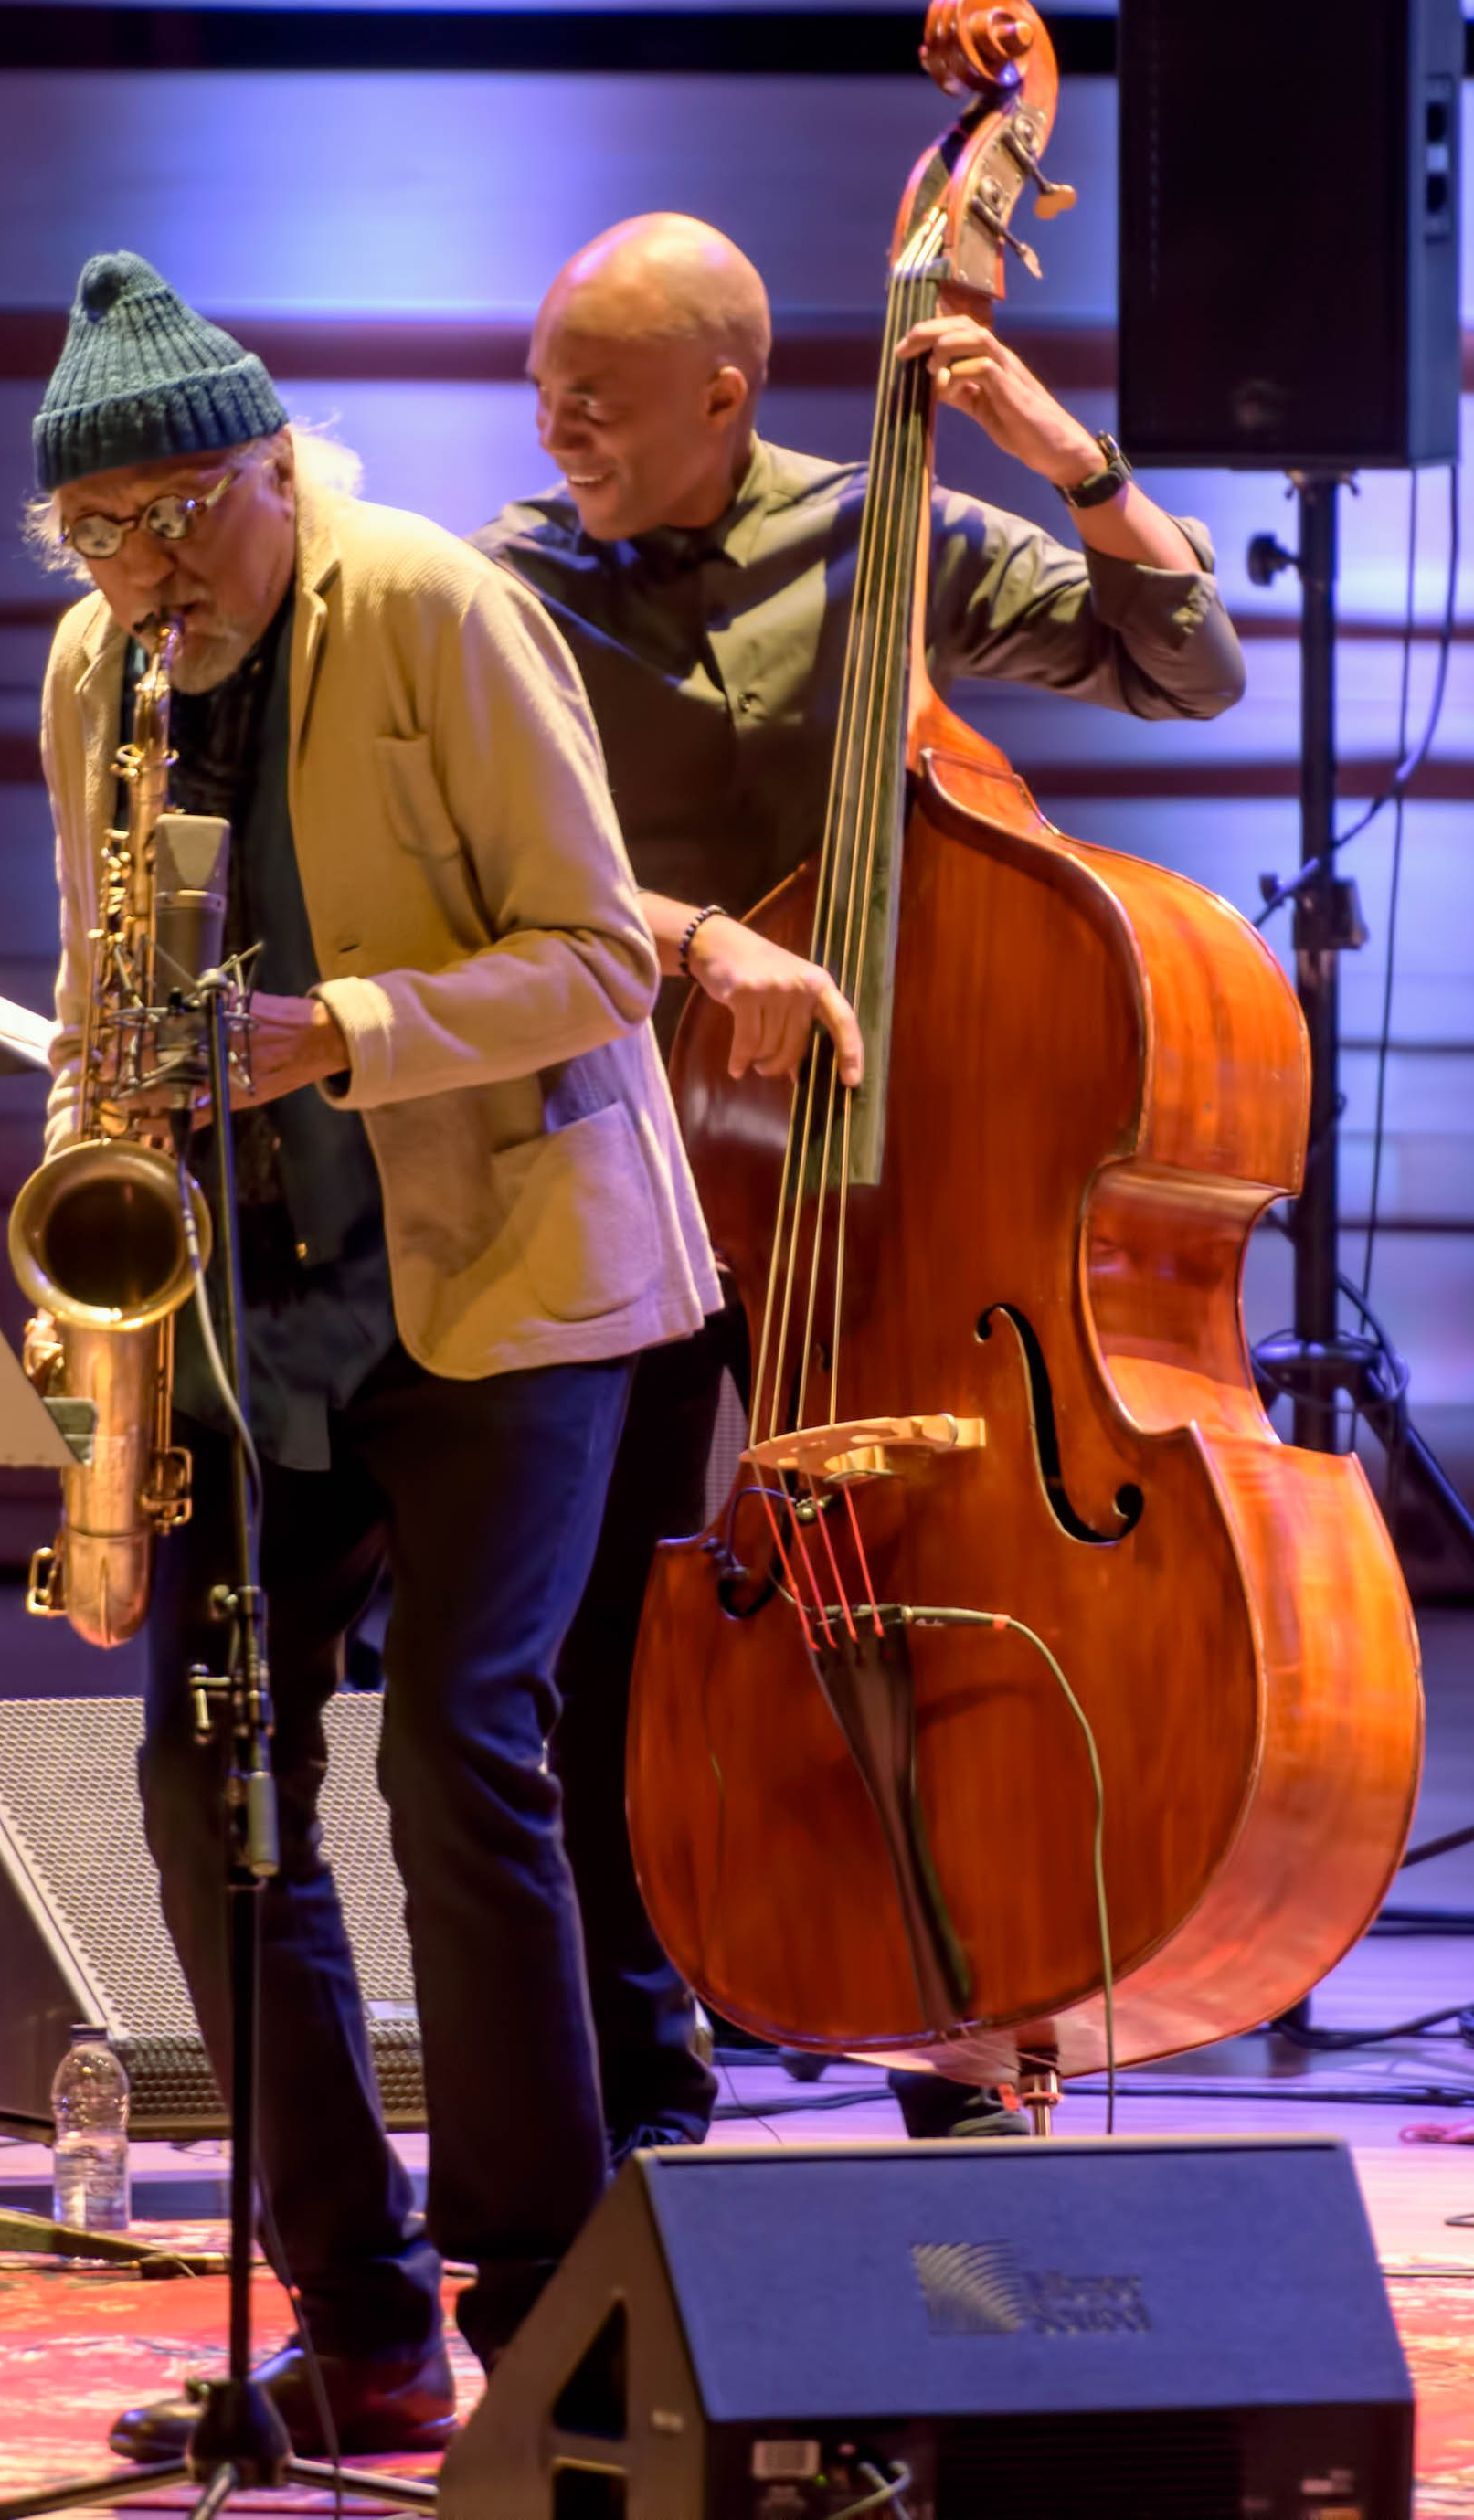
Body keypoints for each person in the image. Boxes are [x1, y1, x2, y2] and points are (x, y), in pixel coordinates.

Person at [22, 252, 720, 2459]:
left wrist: (350, 1035)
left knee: (459, 1759)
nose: (141, 575)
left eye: (171, 521)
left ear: (263, 470)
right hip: (247, 1301)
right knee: (202, 1796)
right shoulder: (95, 664)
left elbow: (603, 955)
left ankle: (552, 2307)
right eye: (94, 537)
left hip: (502, 1281)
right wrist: (75, 1225)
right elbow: (94, 987)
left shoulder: (427, 601)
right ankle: (360, 2316)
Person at [472, 211, 1245, 2153]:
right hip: (631, 1166)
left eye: (603, 394)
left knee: (934, 1597)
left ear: (726, 394)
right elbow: (487, 868)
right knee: (606, 1643)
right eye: (548, 383)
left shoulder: (885, 537)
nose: (557, 421)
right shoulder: (498, 587)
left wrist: (1075, 462)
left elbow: (1188, 668)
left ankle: (956, 2034)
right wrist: (686, 940)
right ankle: (636, 2094)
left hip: (896, 1197)